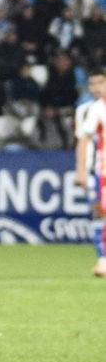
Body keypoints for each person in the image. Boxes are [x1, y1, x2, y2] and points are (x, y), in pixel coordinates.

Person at [75, 69, 106, 277]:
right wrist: (81, 171)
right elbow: (83, 139)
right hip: (100, 170)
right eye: (92, 84)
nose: (96, 88)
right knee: (99, 212)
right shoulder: (93, 109)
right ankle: (102, 261)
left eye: (100, 83)